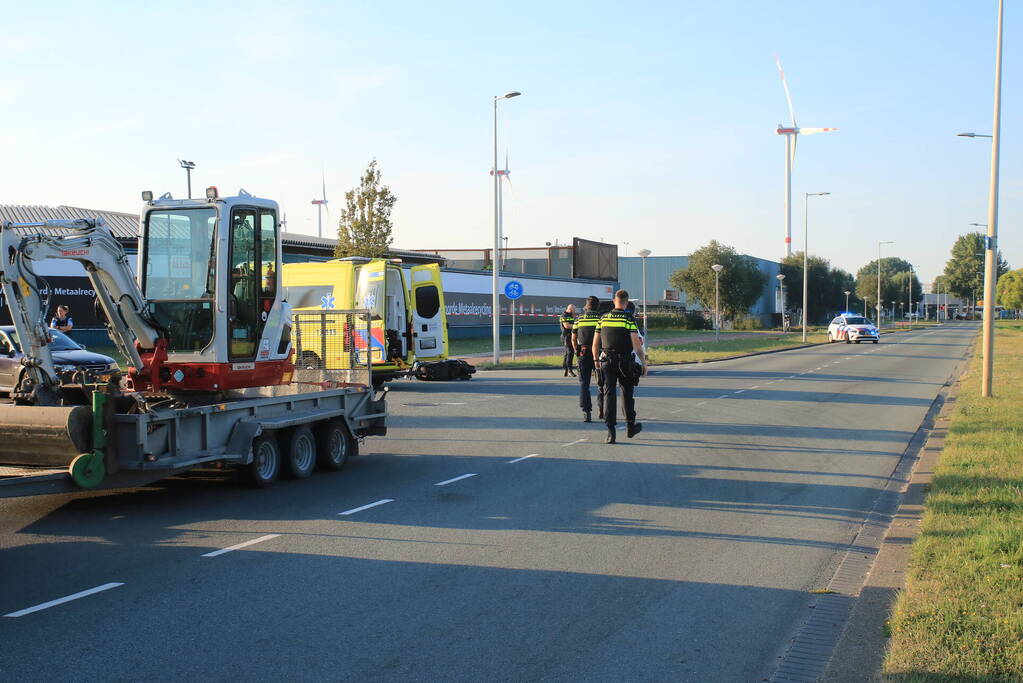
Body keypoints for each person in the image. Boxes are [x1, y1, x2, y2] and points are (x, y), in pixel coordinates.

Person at [592, 289, 646, 444]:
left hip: (606, 362)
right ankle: (630, 427)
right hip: (625, 363)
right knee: (627, 394)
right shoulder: (629, 319)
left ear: (614, 301)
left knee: (608, 395)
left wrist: (596, 364)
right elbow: (637, 347)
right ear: (627, 302)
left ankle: (610, 432)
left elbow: (595, 345)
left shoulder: (603, 319)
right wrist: (644, 364)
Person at [572, 296, 604, 422]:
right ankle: (602, 410)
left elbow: (573, 339)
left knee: (584, 384)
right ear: (597, 306)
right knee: (602, 383)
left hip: (583, 353)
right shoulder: (601, 319)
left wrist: (576, 351)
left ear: (586, 306)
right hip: (600, 354)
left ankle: (586, 412)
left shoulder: (579, 319)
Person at [559, 304, 576, 377]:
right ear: (570, 309)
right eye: (573, 310)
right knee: (570, 353)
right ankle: (569, 370)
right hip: (566, 336)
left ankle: (565, 369)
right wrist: (577, 325)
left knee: (567, 353)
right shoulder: (564, 315)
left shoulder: (570, 315)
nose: (574, 312)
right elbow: (567, 325)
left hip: (570, 336)